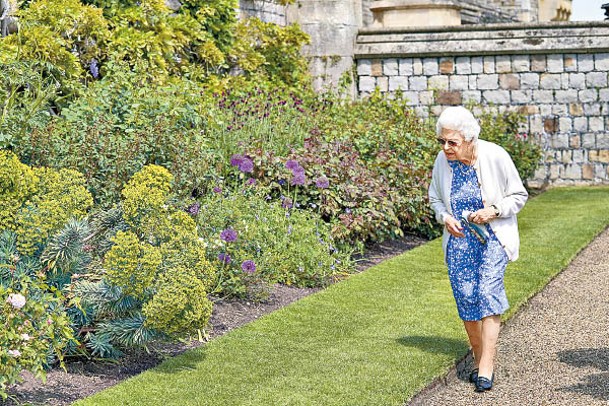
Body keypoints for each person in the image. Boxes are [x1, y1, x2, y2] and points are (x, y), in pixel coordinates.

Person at [428, 106, 528, 393]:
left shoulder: (495, 156)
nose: (446, 147)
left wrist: (493, 210)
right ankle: (477, 356)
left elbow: (519, 195)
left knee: (487, 291)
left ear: (469, 140)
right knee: (467, 296)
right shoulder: (442, 161)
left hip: (493, 236)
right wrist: (444, 217)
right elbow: (435, 198)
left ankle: (486, 366)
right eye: (442, 141)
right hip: (459, 240)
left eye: (452, 142)